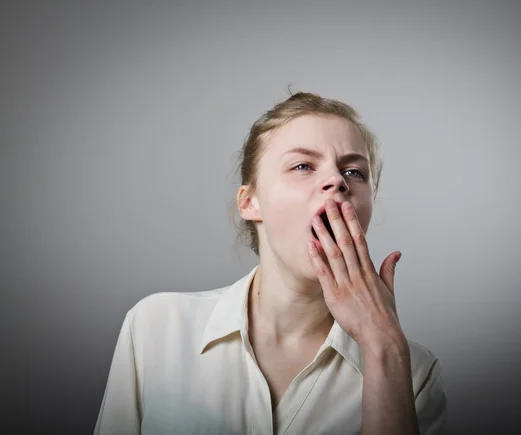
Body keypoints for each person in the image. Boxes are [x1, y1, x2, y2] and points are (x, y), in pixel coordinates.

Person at [94, 91, 447, 435]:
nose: (337, 182)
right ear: (250, 202)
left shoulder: (412, 371)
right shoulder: (156, 328)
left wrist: (384, 349)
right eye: (302, 165)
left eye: (354, 172)